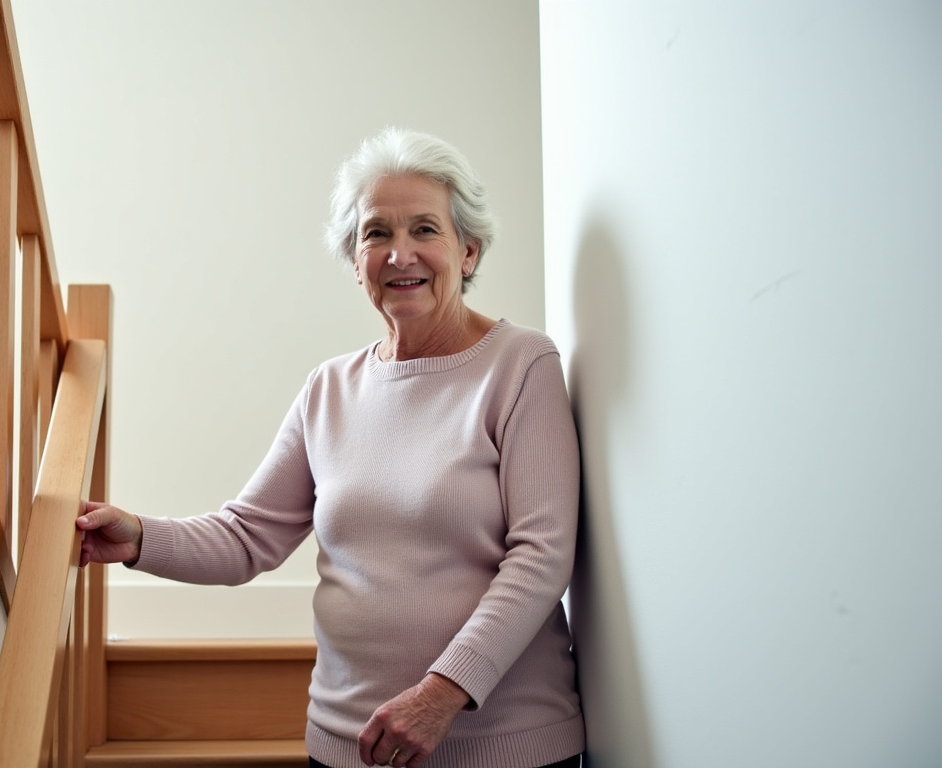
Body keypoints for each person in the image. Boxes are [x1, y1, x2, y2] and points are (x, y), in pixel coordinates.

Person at [76, 128, 584, 768]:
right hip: (347, 747)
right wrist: (140, 537)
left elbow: (542, 557)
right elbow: (247, 536)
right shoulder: (330, 387)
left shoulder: (519, 366)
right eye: (376, 234)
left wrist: (440, 694)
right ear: (354, 260)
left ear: (470, 251)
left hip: (502, 748)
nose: (401, 254)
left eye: (425, 230)